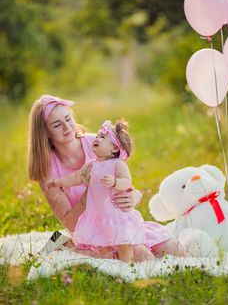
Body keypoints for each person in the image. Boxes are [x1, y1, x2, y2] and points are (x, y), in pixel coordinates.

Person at [27, 95, 188, 259]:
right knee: (141, 254)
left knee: (174, 248)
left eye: (68, 119)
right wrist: (89, 192)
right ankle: (67, 246)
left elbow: (124, 179)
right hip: (90, 232)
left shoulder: (96, 143)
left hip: (117, 221)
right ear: (44, 132)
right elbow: (70, 223)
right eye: (56, 125)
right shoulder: (47, 171)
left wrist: (135, 195)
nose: (66, 127)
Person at [47, 120, 156, 262]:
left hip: (116, 215)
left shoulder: (118, 164)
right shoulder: (91, 165)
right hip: (99, 215)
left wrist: (116, 182)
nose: (97, 139)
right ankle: (73, 249)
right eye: (97, 136)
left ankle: (126, 266)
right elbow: (76, 178)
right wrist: (58, 182)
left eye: (102, 137)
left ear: (115, 149)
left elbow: (127, 182)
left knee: (124, 242)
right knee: (99, 243)